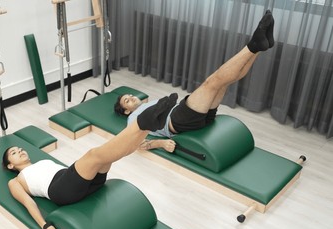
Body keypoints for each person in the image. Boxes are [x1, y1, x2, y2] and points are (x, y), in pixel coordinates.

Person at [2, 94, 177, 229]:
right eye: (14, 153)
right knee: (94, 154)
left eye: (20, 148)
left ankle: (146, 127)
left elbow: (71, 172)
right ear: (11, 165)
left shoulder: (40, 162)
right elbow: (29, 203)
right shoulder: (15, 181)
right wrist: (45, 226)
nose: (20, 151)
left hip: (80, 182)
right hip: (60, 190)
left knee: (112, 155)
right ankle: (143, 122)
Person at [114, 10, 275, 153]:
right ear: (127, 111)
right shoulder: (132, 119)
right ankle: (254, 45)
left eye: (130, 95)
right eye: (127, 101)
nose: (132, 97)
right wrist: (160, 144)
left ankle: (258, 49)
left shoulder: (147, 105)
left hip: (196, 118)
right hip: (178, 121)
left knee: (223, 82)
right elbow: (137, 144)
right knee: (211, 82)